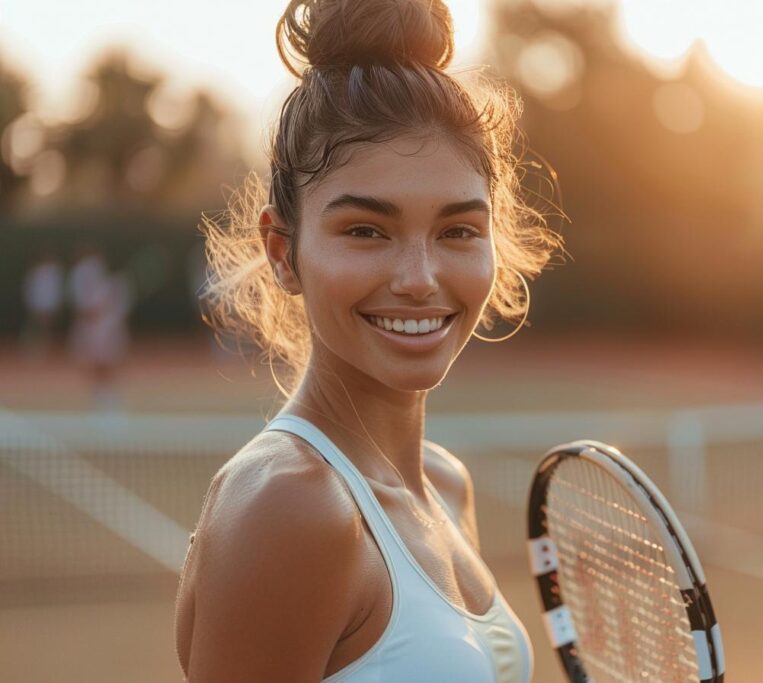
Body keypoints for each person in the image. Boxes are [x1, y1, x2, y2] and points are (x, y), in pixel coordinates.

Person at [174, 1, 563, 681]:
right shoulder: (288, 506)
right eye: (365, 230)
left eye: (458, 230)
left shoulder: (444, 484)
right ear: (282, 250)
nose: (419, 278)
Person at [66, 245, 132, 410]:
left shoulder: (110, 280)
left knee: (107, 362)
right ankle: (100, 394)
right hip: (92, 328)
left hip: (105, 327)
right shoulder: (83, 274)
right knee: (93, 363)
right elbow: (85, 305)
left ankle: (107, 396)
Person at [20, 247, 64, 358]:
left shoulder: (54, 272)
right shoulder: (35, 272)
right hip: (37, 304)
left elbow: (56, 289)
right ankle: (30, 349)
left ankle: (43, 349)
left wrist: (54, 305)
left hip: (48, 305)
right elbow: (29, 289)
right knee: (34, 327)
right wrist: (32, 304)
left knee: (46, 328)